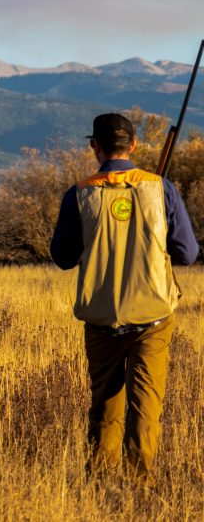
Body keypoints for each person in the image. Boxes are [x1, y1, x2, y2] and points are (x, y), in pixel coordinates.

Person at [50, 113, 198, 485]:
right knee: (145, 406)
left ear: (94, 148)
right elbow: (187, 253)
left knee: (105, 407)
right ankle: (139, 487)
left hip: (101, 320)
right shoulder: (160, 188)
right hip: (154, 316)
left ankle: (100, 485)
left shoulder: (79, 193)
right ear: (133, 145)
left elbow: (63, 258)